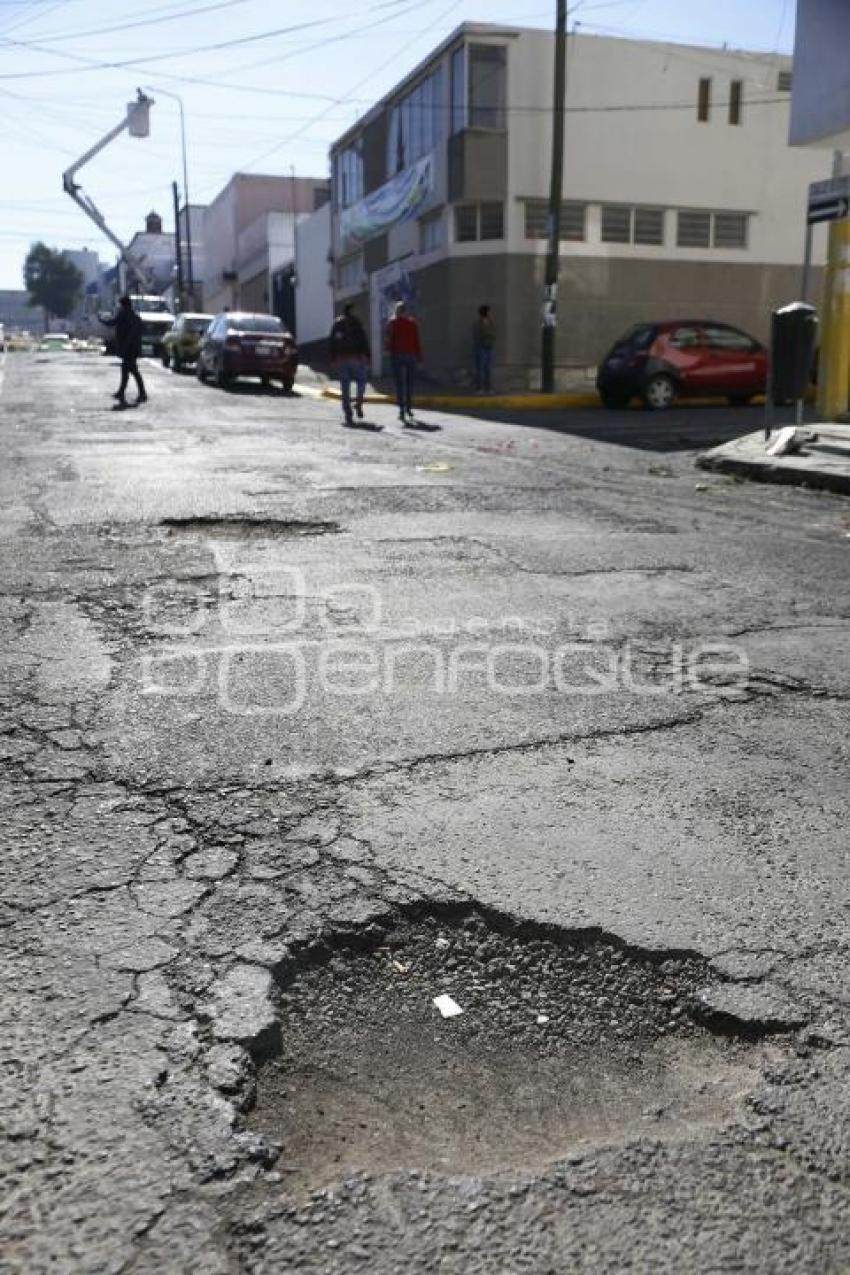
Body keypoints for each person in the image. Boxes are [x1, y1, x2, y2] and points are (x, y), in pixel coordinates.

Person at [328, 303, 370, 425]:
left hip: (342, 359)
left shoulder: (337, 324)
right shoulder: (357, 323)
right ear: (351, 311)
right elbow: (364, 340)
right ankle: (358, 402)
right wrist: (367, 355)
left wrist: (333, 358)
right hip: (356, 358)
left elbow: (333, 342)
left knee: (345, 386)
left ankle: (348, 412)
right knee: (362, 380)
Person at [104, 295, 147, 408]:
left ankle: (141, 393)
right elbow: (141, 329)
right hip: (133, 348)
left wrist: (102, 320)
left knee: (132, 371)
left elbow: (112, 323)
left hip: (128, 348)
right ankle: (123, 392)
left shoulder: (124, 315)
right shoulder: (134, 316)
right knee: (127, 371)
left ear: (123, 305)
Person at [385, 300, 422, 425]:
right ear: (405, 311)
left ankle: (401, 409)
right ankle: (409, 408)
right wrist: (419, 356)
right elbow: (417, 341)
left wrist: (388, 350)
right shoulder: (412, 323)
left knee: (400, 384)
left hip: (397, 356)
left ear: (397, 311)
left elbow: (389, 340)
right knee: (409, 383)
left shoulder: (392, 323)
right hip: (411, 356)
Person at [473, 304, 496, 392]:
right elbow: (477, 335)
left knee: (488, 368)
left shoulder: (491, 322)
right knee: (481, 368)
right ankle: (480, 387)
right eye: (489, 311)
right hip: (481, 347)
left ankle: (488, 387)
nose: (490, 313)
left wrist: (491, 341)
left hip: (489, 347)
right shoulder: (478, 323)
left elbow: (494, 333)